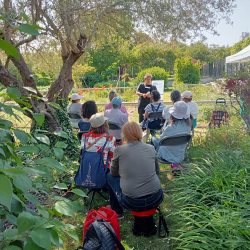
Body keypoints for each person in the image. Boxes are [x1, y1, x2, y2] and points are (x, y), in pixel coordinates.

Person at [106, 122, 163, 219]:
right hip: (156, 197)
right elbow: (157, 171)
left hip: (132, 201)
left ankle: (117, 211)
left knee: (109, 176)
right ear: (140, 133)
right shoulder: (151, 148)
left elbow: (114, 172)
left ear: (124, 134)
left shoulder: (119, 150)